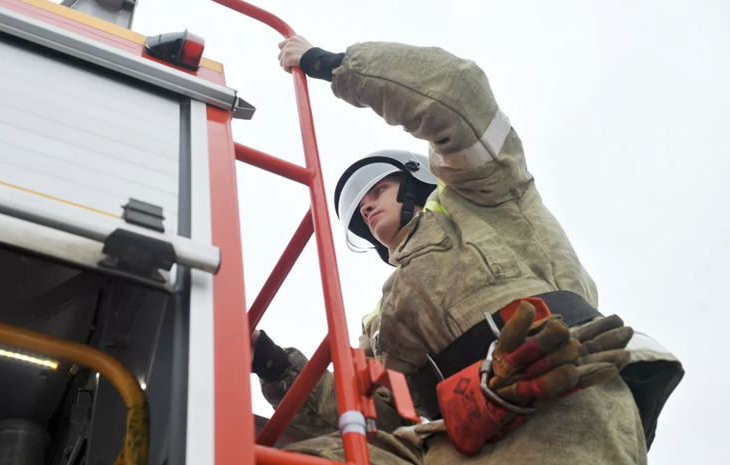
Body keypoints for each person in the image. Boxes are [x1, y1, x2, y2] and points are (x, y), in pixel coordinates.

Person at [250, 36, 684, 464]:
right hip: (454, 434)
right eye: (358, 209)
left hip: (558, 386)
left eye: (378, 188)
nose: (365, 206)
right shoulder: (381, 322)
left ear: (417, 182)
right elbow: (371, 415)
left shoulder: (482, 197)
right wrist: (272, 363)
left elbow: (457, 91)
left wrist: (333, 65)